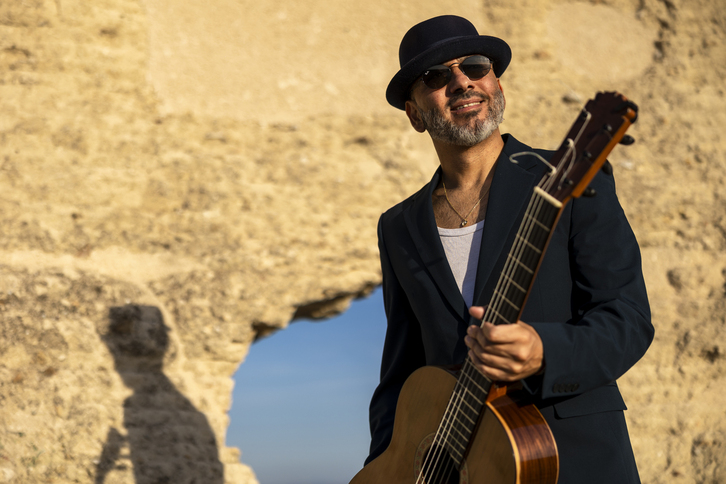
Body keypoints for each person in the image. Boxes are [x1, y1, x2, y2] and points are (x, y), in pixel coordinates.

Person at [365, 15, 654, 483]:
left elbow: (627, 321)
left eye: (475, 66)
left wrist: (545, 350)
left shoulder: (569, 178)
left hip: (573, 460)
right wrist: (385, 469)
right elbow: (400, 374)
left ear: (496, 84)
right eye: (435, 77)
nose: (461, 81)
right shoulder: (398, 226)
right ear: (415, 113)